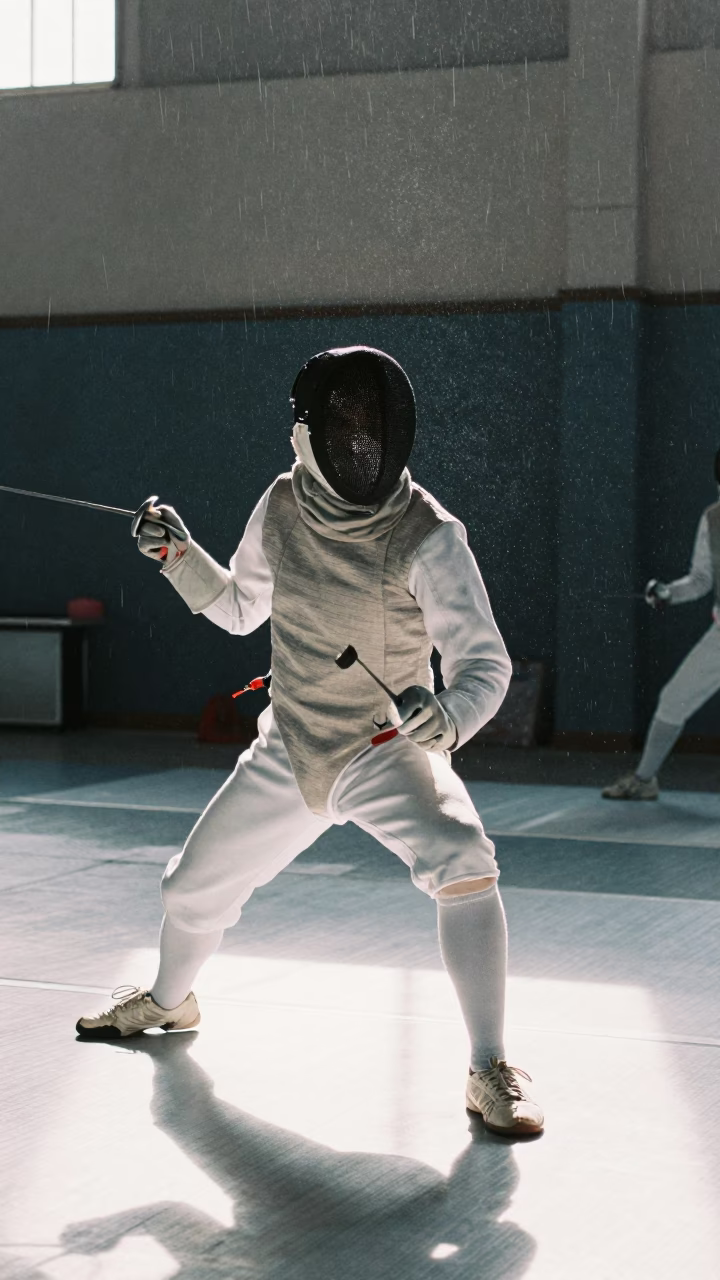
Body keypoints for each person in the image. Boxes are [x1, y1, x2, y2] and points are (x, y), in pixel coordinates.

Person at [77, 346, 544, 1137]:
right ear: (304, 434)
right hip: (290, 744)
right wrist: (179, 557)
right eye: (344, 424)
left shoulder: (428, 535)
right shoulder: (280, 505)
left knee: (463, 858)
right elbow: (239, 608)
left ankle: (490, 1064)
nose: (360, 442)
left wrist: (450, 716)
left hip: (383, 747)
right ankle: (168, 1000)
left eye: (371, 426)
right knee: (188, 891)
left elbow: (484, 665)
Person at [603, 448, 720, 800]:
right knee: (673, 700)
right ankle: (644, 781)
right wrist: (669, 593)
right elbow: (701, 580)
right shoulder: (713, 518)